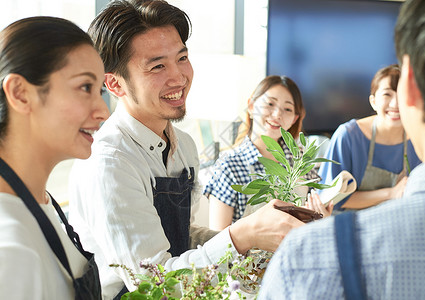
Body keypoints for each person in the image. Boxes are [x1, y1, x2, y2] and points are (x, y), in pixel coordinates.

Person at [67, 1, 303, 298]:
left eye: (182, 58)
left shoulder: (184, 145)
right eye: (157, 66)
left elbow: (182, 236)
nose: (179, 77)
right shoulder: (109, 164)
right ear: (115, 84)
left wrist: (254, 241)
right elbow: (153, 286)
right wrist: (242, 236)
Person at [259, 0, 425, 298]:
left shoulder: (309, 259)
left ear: (409, 87)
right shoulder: (349, 135)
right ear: (374, 99)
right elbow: (328, 196)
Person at [0, 17, 109, 299]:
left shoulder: (39, 203)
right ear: (20, 94)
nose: (103, 111)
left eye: (100, 91)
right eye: (85, 87)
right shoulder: (9, 250)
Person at [204, 75, 330, 230]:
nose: (277, 114)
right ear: (251, 106)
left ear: (294, 119)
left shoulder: (301, 162)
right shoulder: (228, 166)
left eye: (288, 109)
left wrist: (323, 218)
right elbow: (218, 241)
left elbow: (312, 224)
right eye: (270, 104)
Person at [318, 64, 421, 211]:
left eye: (402, 94)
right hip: (351, 227)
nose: (395, 103)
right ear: (373, 101)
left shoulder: (419, 138)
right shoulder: (349, 136)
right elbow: (329, 199)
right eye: (387, 94)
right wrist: (390, 193)